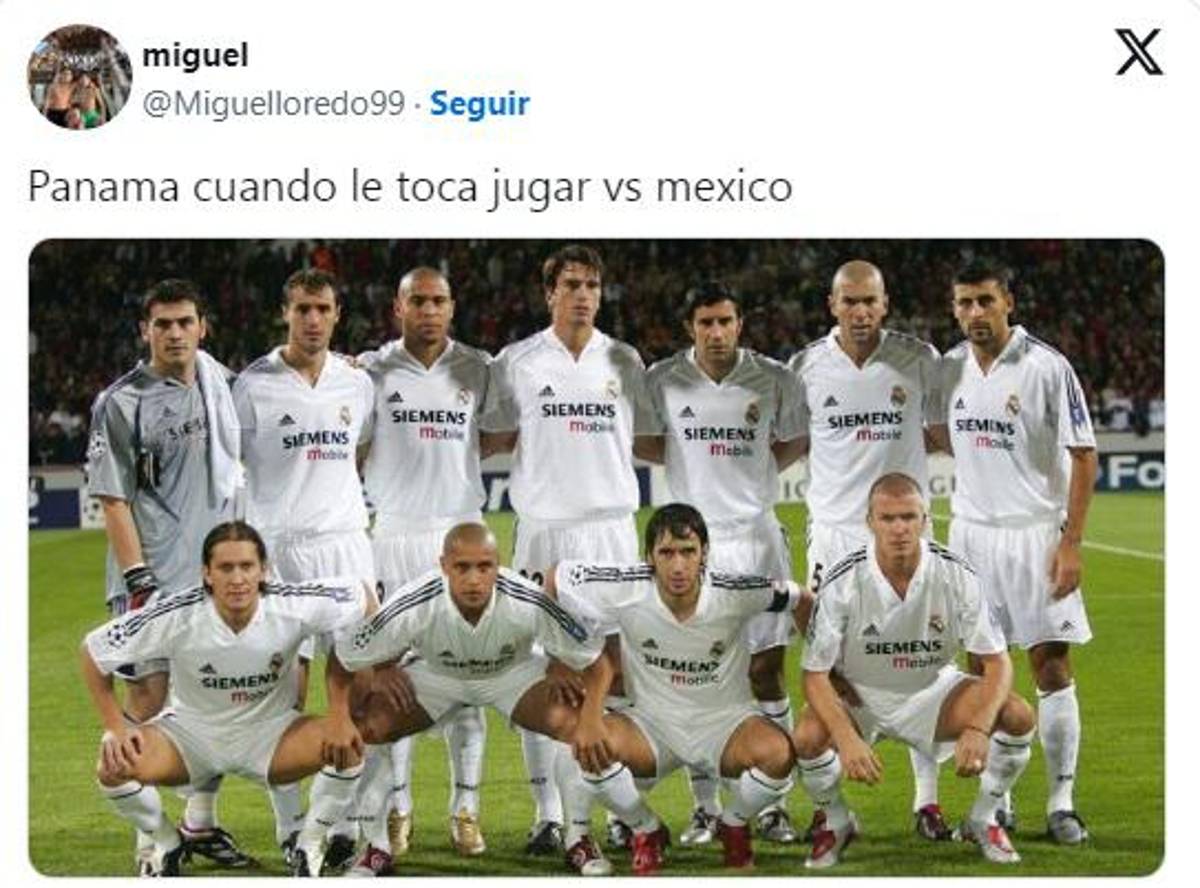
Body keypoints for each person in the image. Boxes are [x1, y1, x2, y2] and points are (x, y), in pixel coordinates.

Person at [480, 244, 656, 854]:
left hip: (611, 531)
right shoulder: (516, 362)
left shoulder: (625, 359)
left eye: (592, 285)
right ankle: (548, 815)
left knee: (619, 671)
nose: (582, 295)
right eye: (571, 284)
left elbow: (653, 437)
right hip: (543, 530)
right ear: (548, 292)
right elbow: (490, 433)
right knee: (544, 671)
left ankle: (617, 809)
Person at [81, 521, 375, 876]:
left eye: (247, 566)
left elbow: (363, 597)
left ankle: (309, 845)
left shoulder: (293, 604)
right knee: (113, 767)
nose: (237, 579)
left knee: (348, 745)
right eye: (225, 567)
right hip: (190, 737)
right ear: (207, 574)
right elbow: (93, 651)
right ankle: (166, 842)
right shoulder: (176, 615)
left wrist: (346, 705)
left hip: (272, 735)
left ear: (263, 570)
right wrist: (115, 727)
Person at [325, 523, 609, 874]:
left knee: (577, 723)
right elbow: (344, 657)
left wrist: (588, 711)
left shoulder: (526, 598)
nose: (474, 579)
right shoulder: (416, 600)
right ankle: (376, 847)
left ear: (498, 564)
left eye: (484, 567)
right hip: (439, 676)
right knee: (368, 727)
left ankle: (578, 838)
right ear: (444, 565)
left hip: (510, 674)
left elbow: (597, 663)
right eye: (462, 567)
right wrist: (347, 707)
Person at [547, 503, 814, 874]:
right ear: (649, 557)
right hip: (650, 725)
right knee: (586, 744)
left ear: (705, 553)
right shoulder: (625, 585)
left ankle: (734, 823)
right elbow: (555, 579)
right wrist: (560, 656)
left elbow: (802, 598)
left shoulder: (734, 590)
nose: (678, 566)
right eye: (666, 553)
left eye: (688, 552)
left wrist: (820, 666)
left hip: (724, 724)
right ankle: (646, 828)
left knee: (779, 755)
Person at [85, 279, 251, 872]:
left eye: (185, 322)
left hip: (211, 579)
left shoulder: (221, 382)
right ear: (145, 331)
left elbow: (278, 375)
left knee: (211, 701)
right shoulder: (120, 402)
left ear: (202, 327)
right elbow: (113, 499)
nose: (175, 333)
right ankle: (152, 836)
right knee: (149, 699)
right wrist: (139, 582)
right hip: (152, 579)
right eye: (163, 324)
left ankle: (199, 822)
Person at [784, 259, 952, 840]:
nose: (860, 312)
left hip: (904, 530)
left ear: (885, 304)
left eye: (869, 301)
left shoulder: (919, 359)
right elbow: (787, 443)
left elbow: (944, 433)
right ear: (832, 305)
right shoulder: (804, 367)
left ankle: (927, 802)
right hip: (834, 535)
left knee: (923, 661)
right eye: (849, 301)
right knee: (830, 668)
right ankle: (830, 807)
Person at [794, 473, 1036, 868]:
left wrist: (978, 728)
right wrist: (846, 738)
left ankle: (984, 818)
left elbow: (997, 662)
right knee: (807, 737)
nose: (899, 528)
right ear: (869, 522)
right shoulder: (842, 578)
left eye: (908, 516)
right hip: (860, 695)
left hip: (932, 693)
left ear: (925, 520)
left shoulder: (957, 572)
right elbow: (814, 674)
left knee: (1017, 715)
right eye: (887, 518)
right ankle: (837, 823)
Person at [637, 282, 805, 845]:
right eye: (705, 322)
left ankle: (773, 804)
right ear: (690, 327)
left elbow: (793, 442)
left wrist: (753, 475)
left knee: (766, 671)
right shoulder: (662, 379)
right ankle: (706, 808)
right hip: (694, 544)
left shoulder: (773, 377)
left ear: (740, 323)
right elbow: (648, 442)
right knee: (698, 676)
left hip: (756, 539)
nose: (716, 332)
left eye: (725, 321)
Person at [940, 257, 1099, 844]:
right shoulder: (949, 369)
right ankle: (997, 800)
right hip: (970, 535)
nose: (975, 312)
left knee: (1050, 665)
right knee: (982, 667)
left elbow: (1084, 455)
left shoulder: (1047, 367)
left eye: (986, 300)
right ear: (953, 309)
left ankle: (1061, 802)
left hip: (1035, 534)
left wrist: (1070, 544)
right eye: (965, 302)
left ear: (1009, 302)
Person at [353, 266, 498, 870]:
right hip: (394, 538)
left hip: (461, 537)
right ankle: (398, 807)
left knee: (469, 680)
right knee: (394, 684)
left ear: (452, 307)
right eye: (418, 301)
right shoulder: (370, 371)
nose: (429, 311)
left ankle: (466, 807)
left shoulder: (478, 369)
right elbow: (354, 448)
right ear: (399, 308)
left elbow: (496, 437)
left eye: (439, 301)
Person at [233, 267, 377, 869]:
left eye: (323, 309)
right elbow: (233, 465)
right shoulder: (252, 386)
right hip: (279, 549)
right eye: (302, 310)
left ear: (337, 314)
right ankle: (291, 826)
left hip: (345, 546)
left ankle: (341, 821)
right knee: (279, 697)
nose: (313, 320)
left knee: (362, 692)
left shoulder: (357, 383)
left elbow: (360, 450)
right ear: (285, 313)